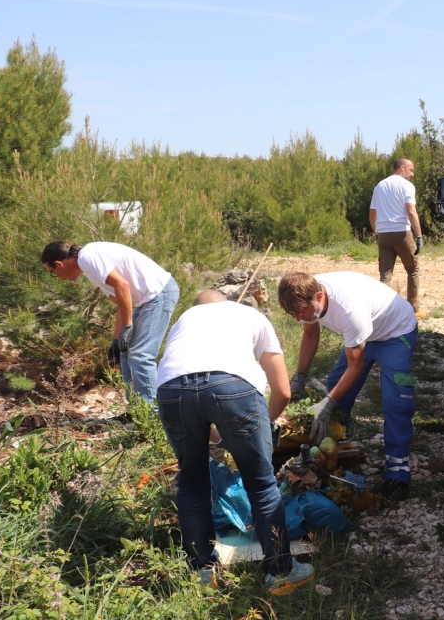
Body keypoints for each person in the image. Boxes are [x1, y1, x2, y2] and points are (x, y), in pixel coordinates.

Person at [155, 290, 315, 595]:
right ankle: (281, 571)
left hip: (171, 391)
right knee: (261, 482)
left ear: (197, 305)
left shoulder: (184, 320)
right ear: (227, 301)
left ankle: (201, 571)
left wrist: (222, 437)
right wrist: (262, 427)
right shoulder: (251, 315)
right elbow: (283, 390)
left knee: (191, 481)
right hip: (232, 387)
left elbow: (196, 397)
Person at [277, 271, 417, 502]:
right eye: (294, 313)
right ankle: (339, 454)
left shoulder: (349, 310)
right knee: (336, 386)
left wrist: (327, 403)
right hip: (363, 332)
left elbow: (356, 367)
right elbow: (311, 334)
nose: (298, 318)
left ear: (319, 297)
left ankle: (397, 473)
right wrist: (299, 378)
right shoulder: (307, 295)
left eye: (301, 312)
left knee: (396, 399)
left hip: (395, 332)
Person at [41, 241, 180, 405]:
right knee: (125, 352)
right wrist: (116, 340)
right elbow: (121, 300)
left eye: (53, 272)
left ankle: (150, 413)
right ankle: (135, 411)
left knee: (141, 354)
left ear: (59, 264)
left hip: (159, 293)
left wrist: (127, 326)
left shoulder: (87, 256)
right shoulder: (88, 268)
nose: (56, 277)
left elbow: (122, 285)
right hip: (148, 299)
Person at [370, 157, 424, 316]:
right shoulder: (407, 186)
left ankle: (382, 311)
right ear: (402, 168)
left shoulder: (379, 186)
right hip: (402, 233)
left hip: (384, 235)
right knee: (413, 269)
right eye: (411, 170)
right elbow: (411, 211)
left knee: (385, 274)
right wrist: (419, 235)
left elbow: (372, 214)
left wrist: (376, 231)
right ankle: (413, 309)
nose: (412, 174)